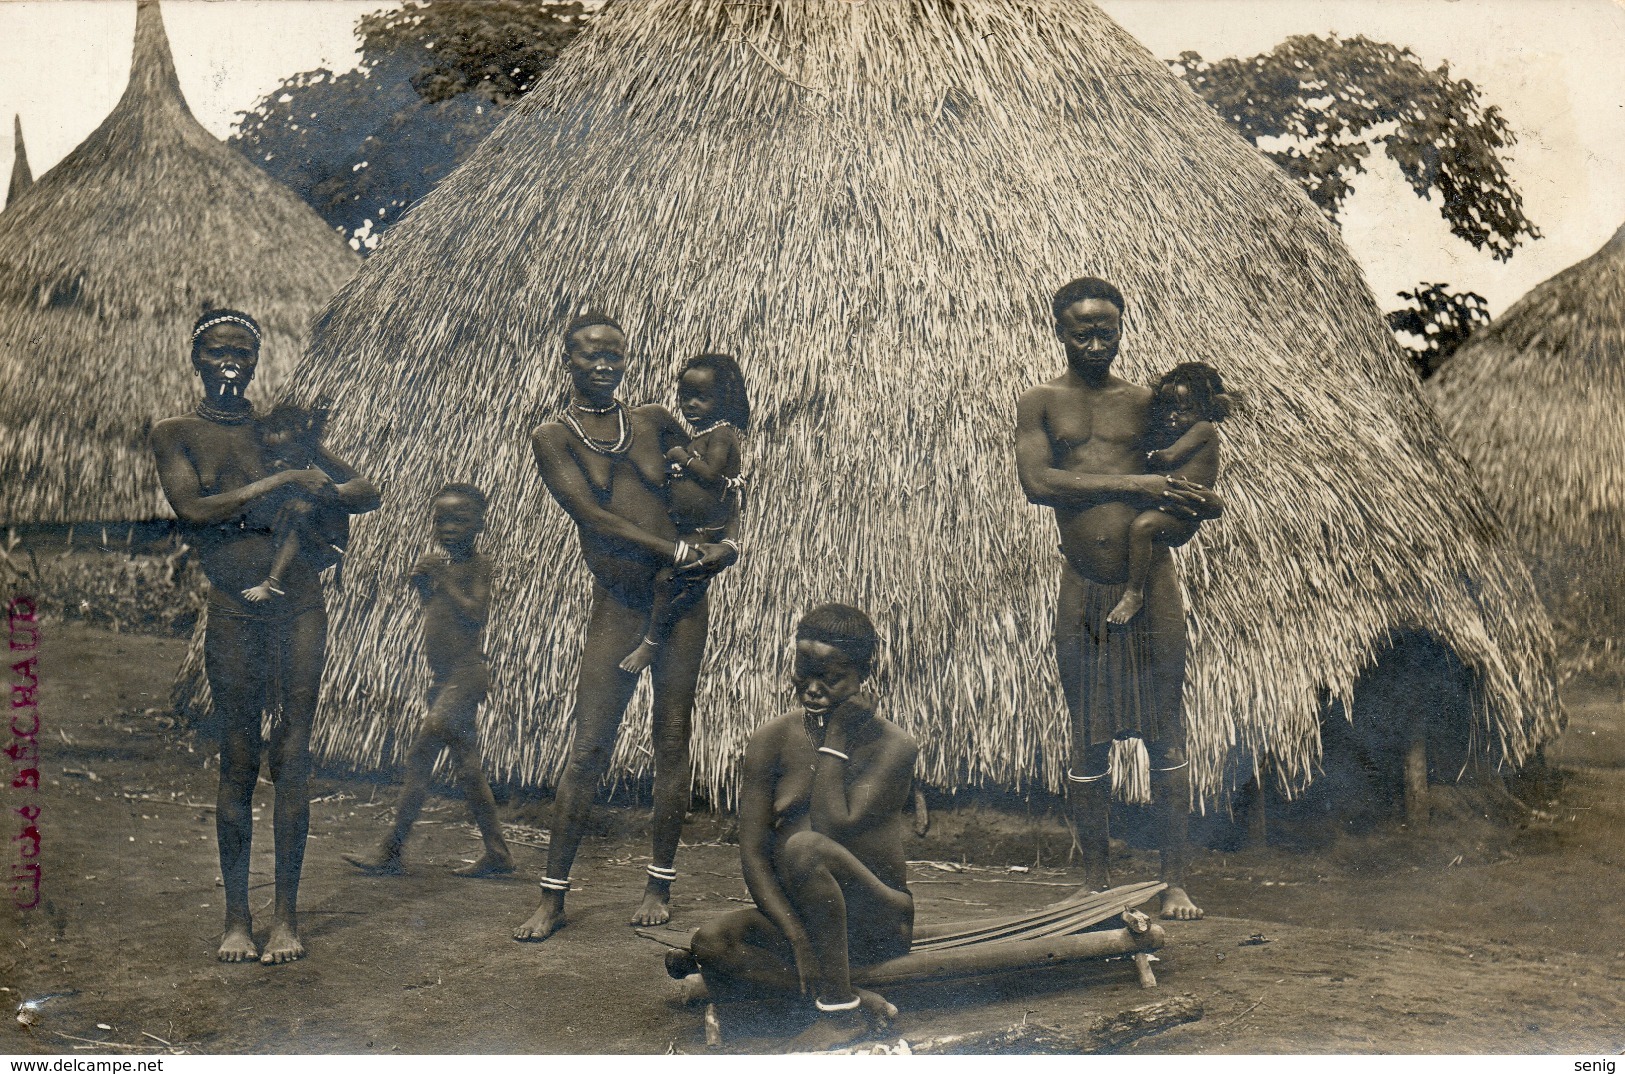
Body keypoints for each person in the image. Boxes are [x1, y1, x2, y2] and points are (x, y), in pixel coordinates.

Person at [151, 309, 379, 963]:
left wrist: (322, 491)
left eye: (242, 354)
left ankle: (284, 919)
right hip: (235, 609)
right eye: (219, 353)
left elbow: (367, 491)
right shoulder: (176, 433)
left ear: (256, 361)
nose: (231, 364)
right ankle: (235, 920)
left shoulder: (282, 430)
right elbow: (194, 507)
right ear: (196, 360)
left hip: (299, 606)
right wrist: (284, 481)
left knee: (294, 755)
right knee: (238, 758)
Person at [516, 313, 738, 940]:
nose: (603, 363)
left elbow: (721, 486)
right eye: (588, 353)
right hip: (619, 602)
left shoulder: (656, 421)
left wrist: (728, 544)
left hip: (681, 599)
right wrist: (671, 550)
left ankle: (658, 884)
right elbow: (591, 516)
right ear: (566, 360)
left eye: (613, 351)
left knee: (672, 737)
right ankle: (552, 898)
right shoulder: (553, 436)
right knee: (589, 748)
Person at [1014, 278, 1220, 921]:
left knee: (1165, 728)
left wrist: (1195, 503)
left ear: (1122, 328)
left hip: (1150, 580)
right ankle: (1096, 881)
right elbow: (1038, 482)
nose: (1097, 342)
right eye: (1083, 330)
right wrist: (1136, 479)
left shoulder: (1147, 402)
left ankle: (1175, 881)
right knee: (1086, 735)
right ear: (1059, 329)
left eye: (1108, 330)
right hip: (1082, 582)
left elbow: (1196, 461)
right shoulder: (1041, 402)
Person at [675, 604, 917, 1052]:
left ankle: (840, 1012)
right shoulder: (771, 739)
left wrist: (838, 738)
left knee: (804, 847)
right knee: (712, 942)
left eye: (831, 676)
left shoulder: (894, 745)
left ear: (864, 673)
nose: (812, 687)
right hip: (807, 920)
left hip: (876, 920)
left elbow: (832, 826)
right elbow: (751, 852)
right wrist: (794, 934)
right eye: (803, 671)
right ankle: (855, 997)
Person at [343, 483, 515, 879]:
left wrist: (445, 581)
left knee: (421, 752)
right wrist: (426, 588)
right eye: (441, 519)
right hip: (442, 680)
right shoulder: (443, 569)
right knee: (468, 768)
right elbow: (440, 616)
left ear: (480, 525)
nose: (448, 526)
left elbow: (476, 614)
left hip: (467, 675)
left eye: (460, 519)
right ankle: (498, 852)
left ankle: (391, 848)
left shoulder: (478, 566)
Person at [620, 353, 748, 674]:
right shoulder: (702, 435)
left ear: (722, 402)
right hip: (686, 528)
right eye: (685, 397)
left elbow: (711, 475)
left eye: (702, 398)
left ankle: (650, 644)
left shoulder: (722, 435)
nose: (690, 405)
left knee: (668, 581)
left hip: (706, 532)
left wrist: (681, 457)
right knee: (667, 580)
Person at [1106, 362, 1231, 626]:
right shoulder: (1178, 431)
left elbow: (1170, 456)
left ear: (1205, 410)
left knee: (1143, 526)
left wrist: (1146, 457)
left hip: (1182, 514)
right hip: (1169, 506)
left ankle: (1134, 593)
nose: (1174, 416)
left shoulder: (1203, 429)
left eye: (1184, 410)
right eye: (1169, 408)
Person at [240, 402, 349, 605]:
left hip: (322, 534)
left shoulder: (314, 472)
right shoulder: (284, 473)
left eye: (285, 456)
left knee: (295, 520)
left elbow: (329, 495)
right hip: (307, 531)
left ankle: (272, 583)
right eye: (271, 457)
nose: (278, 464)